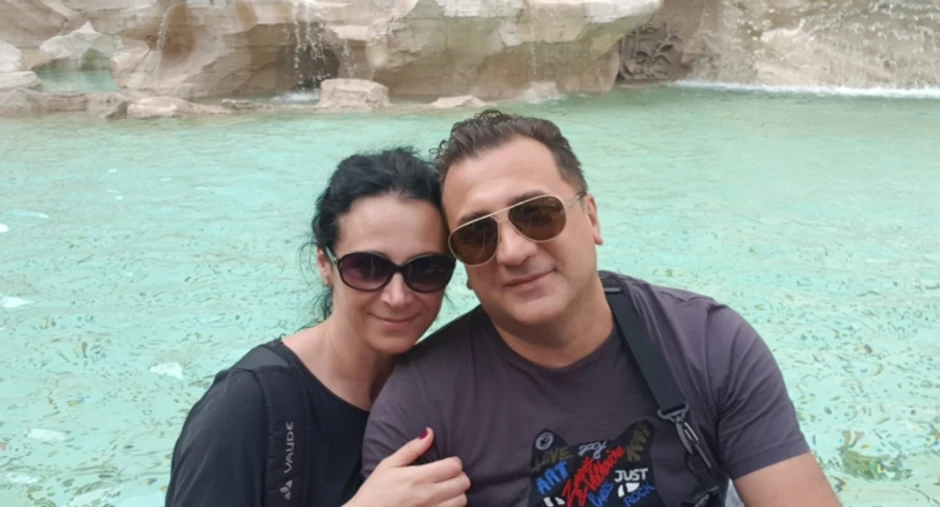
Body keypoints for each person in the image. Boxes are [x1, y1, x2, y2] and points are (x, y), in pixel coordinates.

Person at [361, 111, 843, 507]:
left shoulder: (708, 344)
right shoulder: (421, 408)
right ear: (464, 265)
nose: (512, 251)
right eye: (477, 235)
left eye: (536, 214)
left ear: (590, 217)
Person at [165, 147, 471, 507]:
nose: (397, 296)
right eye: (367, 267)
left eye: (426, 269)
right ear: (325, 264)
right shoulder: (245, 405)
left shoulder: (445, 391)